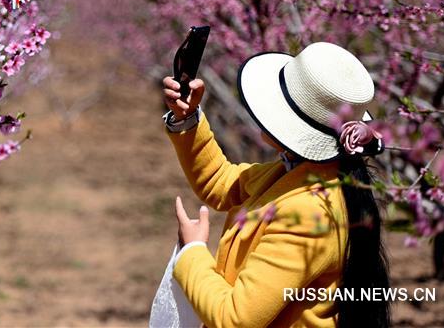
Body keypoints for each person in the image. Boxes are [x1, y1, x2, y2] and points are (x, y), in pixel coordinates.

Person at [162, 42, 390, 328]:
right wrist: (187, 119)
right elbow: (221, 183)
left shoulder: (308, 213)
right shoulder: (297, 173)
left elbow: (234, 319)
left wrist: (192, 253)